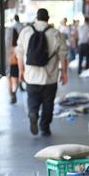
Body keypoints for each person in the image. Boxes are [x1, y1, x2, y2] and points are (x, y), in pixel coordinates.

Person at [16, 8, 68, 136]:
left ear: (36, 18)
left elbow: (19, 53)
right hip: (50, 76)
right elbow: (63, 55)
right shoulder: (56, 33)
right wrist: (65, 73)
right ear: (48, 18)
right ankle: (45, 127)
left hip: (31, 75)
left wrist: (21, 71)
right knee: (48, 102)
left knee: (32, 98)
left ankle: (33, 113)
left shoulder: (26, 31)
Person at [5, 15, 23, 104]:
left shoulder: (6, 46)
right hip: (15, 64)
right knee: (15, 81)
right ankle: (14, 93)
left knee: (9, 81)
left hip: (8, 64)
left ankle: (11, 95)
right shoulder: (18, 46)